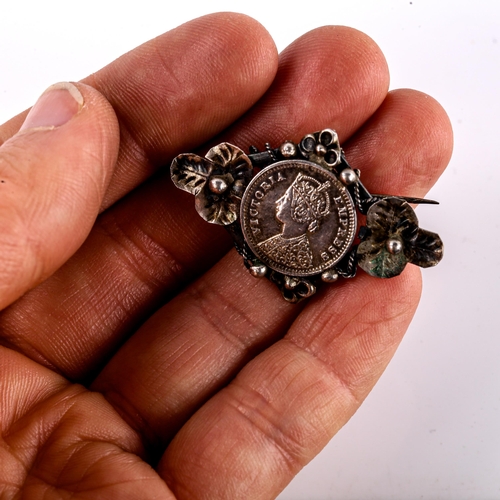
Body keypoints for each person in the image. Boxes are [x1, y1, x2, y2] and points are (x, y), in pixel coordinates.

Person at [0, 12, 452, 499]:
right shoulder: (272, 235)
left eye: (290, 200)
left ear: (304, 214)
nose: (276, 201)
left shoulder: (308, 245)